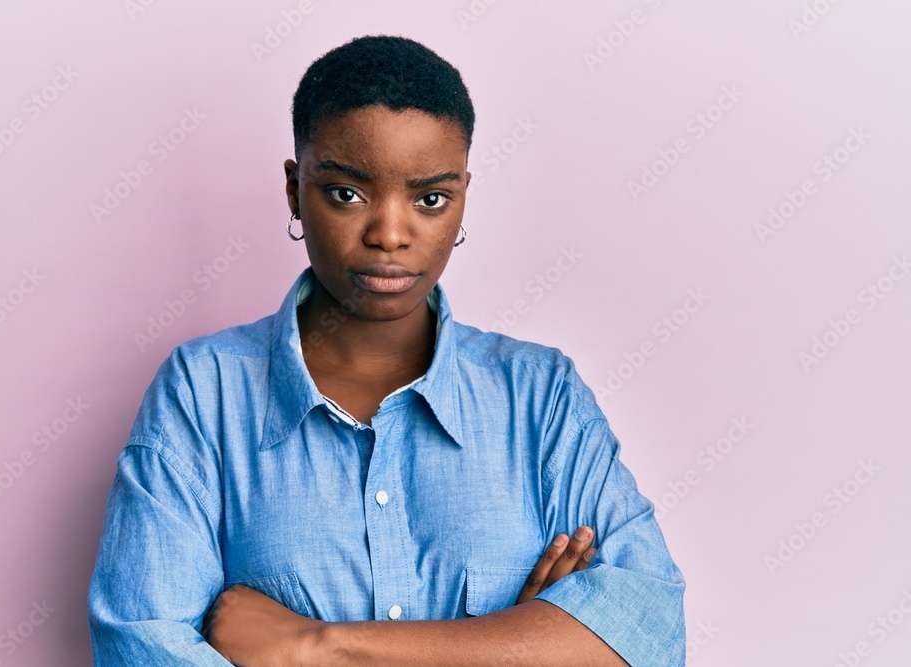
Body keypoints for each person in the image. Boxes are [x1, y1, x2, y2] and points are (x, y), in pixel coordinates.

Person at [87, 34, 685, 666]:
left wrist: (318, 646)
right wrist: (516, 643)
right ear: (295, 189)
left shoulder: (541, 396)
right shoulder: (204, 393)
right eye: (347, 192)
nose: (390, 234)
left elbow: (648, 640)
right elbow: (140, 647)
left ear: (462, 196)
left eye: (431, 198)